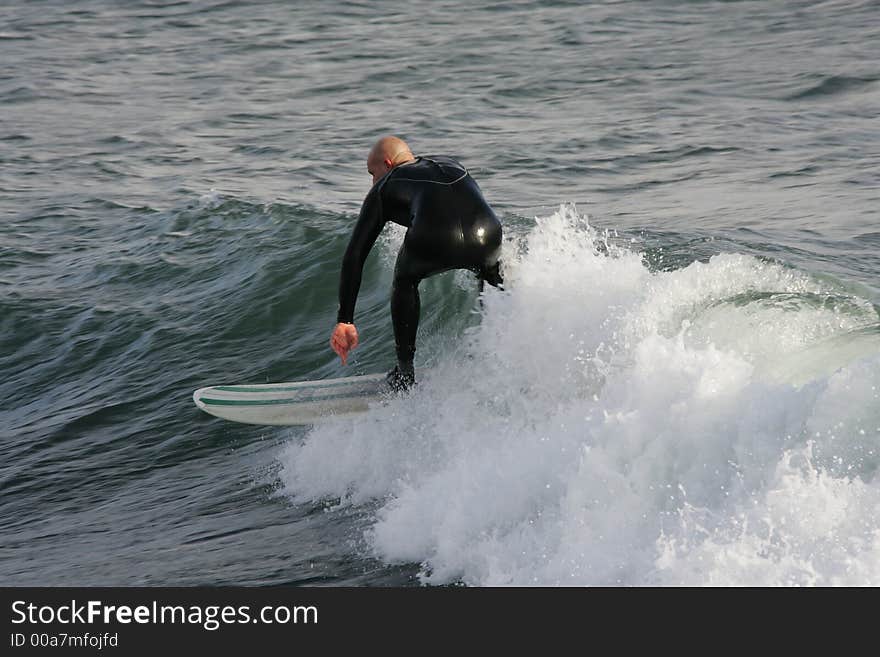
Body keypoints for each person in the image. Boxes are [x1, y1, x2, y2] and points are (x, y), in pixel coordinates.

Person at [329, 136, 503, 391]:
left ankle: (405, 373)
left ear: (387, 164)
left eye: (372, 173)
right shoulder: (452, 164)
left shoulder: (385, 185)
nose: (372, 181)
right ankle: (501, 351)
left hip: (436, 237)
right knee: (490, 273)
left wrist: (345, 319)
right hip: (487, 233)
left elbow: (355, 255)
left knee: (404, 280)